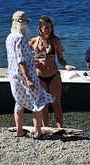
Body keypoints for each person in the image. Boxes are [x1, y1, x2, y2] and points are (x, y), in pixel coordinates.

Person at [6, 10, 54, 138]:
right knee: (37, 102)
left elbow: (20, 57)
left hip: (13, 75)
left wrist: (39, 55)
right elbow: (21, 61)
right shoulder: (20, 38)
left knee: (19, 103)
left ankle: (19, 130)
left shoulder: (9, 37)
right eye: (26, 22)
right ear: (21, 23)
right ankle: (38, 131)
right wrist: (29, 79)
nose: (27, 25)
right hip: (26, 75)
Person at [29, 16, 75, 129]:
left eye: (50, 27)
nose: (48, 30)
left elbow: (60, 59)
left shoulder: (55, 41)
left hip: (53, 75)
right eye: (46, 28)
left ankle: (60, 127)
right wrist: (31, 64)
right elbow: (25, 58)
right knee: (44, 103)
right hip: (39, 76)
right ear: (40, 28)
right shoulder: (33, 42)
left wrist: (66, 65)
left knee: (56, 103)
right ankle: (45, 128)